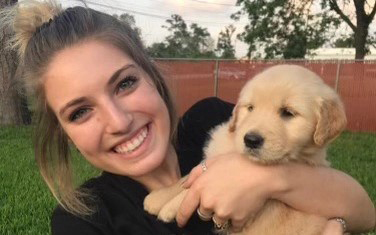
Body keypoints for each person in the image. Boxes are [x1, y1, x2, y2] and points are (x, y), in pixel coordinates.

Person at [1, 1, 374, 234]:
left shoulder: (213, 122)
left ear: (153, 76)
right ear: (64, 132)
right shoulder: (85, 221)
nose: (117, 121)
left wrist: (267, 178)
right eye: (80, 112)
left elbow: (364, 213)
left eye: (125, 83)